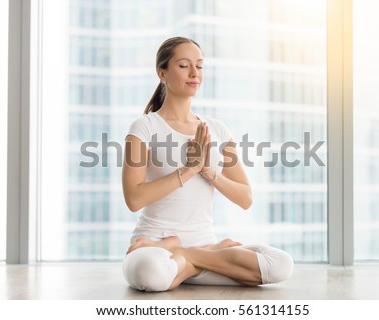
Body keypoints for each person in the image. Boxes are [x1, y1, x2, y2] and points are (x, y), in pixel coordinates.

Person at [122, 37, 293, 292]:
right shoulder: (144, 127)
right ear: (162, 73)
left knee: (281, 265)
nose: (194, 73)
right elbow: (134, 199)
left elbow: (245, 198)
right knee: (151, 274)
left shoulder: (217, 129)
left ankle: (186, 253)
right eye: (183, 65)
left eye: (199, 66)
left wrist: (208, 171)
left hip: (196, 244)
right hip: (154, 247)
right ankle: (203, 256)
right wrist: (187, 170)